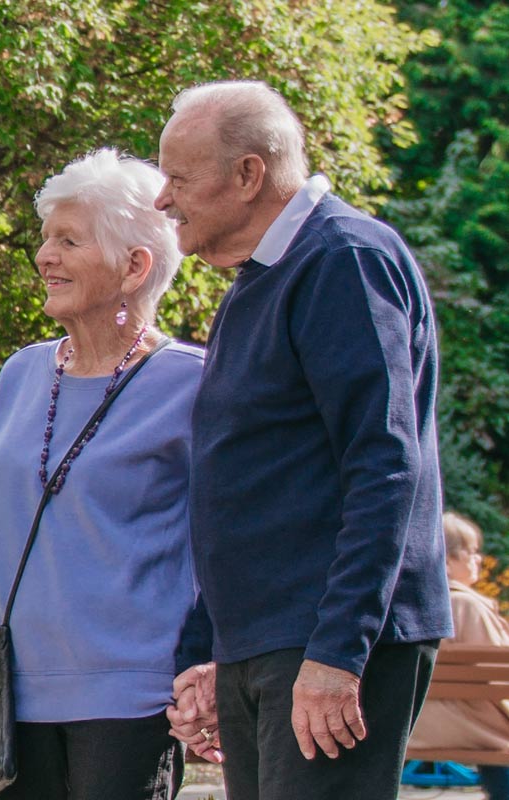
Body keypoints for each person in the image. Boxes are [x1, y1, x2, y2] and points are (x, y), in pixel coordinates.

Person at [158, 80, 452, 800]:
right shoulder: (255, 283)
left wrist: (338, 651)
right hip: (268, 641)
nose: (163, 200)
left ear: (249, 174)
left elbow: (384, 464)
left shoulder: (343, 259)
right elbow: (242, 484)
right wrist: (209, 653)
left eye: (178, 178)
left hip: (328, 641)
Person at [0, 148, 204, 800]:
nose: (43, 256)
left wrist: (206, 671)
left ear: (134, 266)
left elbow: (222, 547)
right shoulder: (20, 375)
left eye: (68, 240)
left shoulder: (194, 385)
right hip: (9, 695)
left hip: (130, 701)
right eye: (44, 239)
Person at [407, 512, 509, 799]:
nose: (479, 559)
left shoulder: (413, 605)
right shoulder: (467, 606)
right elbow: (496, 678)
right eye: (472, 553)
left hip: (422, 725)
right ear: (447, 563)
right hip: (473, 726)